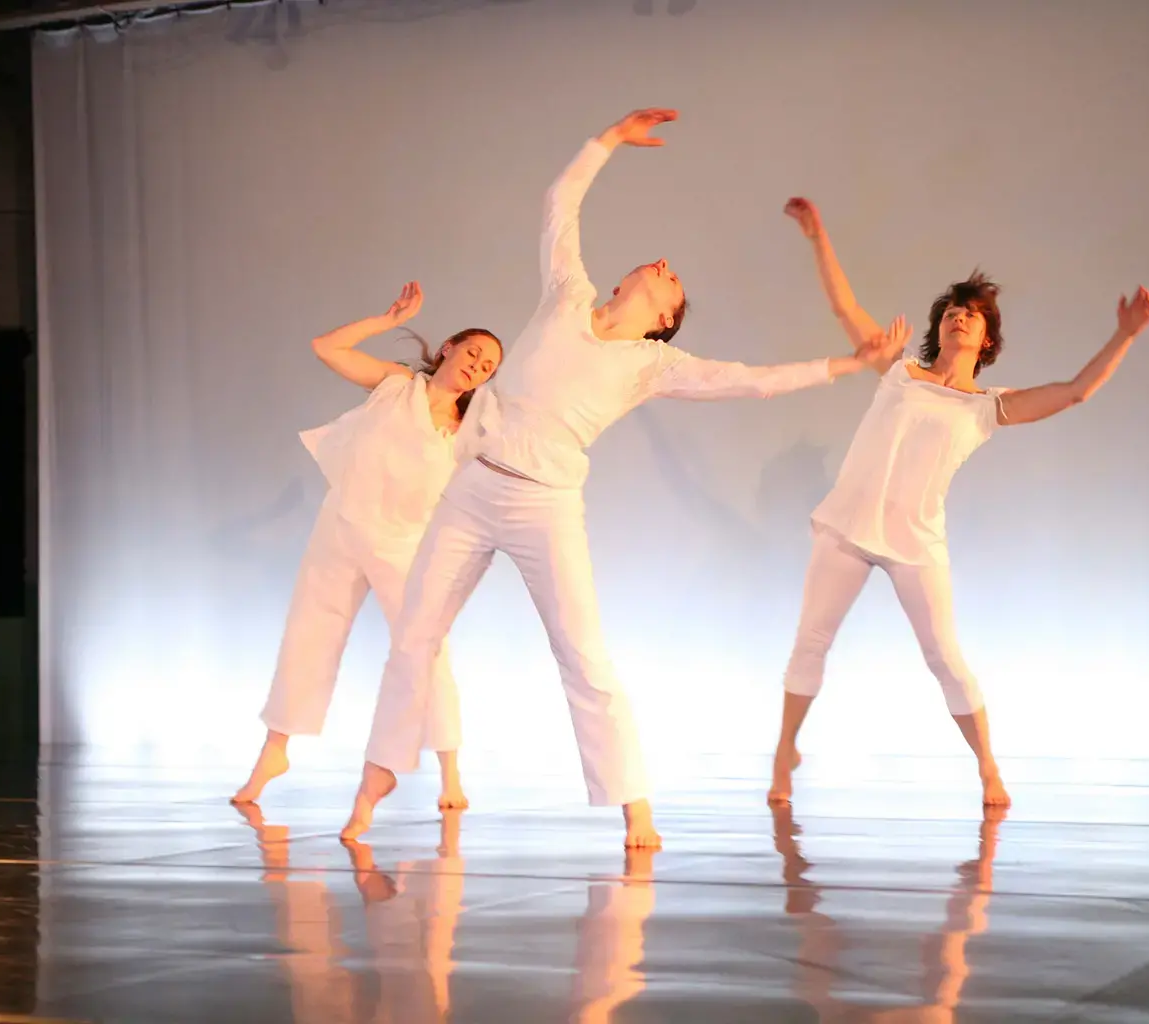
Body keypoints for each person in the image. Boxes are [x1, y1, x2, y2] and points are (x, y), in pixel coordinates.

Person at [341, 108, 904, 848]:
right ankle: (372, 790)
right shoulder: (566, 297)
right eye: (662, 266)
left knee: (581, 653)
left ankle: (635, 804)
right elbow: (558, 207)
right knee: (413, 636)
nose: (664, 266)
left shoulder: (654, 365)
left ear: (665, 318)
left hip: (546, 507)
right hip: (473, 490)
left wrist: (847, 365)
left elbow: (750, 381)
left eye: (674, 282)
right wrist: (607, 141)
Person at [770, 196, 1149, 807]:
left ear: (987, 340)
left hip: (914, 540)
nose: (959, 317)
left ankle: (988, 768)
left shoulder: (988, 406)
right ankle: (783, 759)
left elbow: (1076, 392)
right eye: (953, 310)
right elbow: (845, 308)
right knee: (810, 640)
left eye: (972, 316)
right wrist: (819, 237)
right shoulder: (899, 372)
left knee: (945, 659)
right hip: (847, 524)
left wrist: (1125, 334)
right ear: (940, 326)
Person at [231, 282, 503, 809]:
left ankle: (450, 770)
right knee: (309, 634)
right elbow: (326, 347)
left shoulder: (468, 431)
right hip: (342, 524)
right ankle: (275, 749)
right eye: (473, 352)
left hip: (403, 544)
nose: (478, 366)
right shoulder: (397, 385)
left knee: (423, 649)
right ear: (448, 347)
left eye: (489, 366)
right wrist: (385, 319)